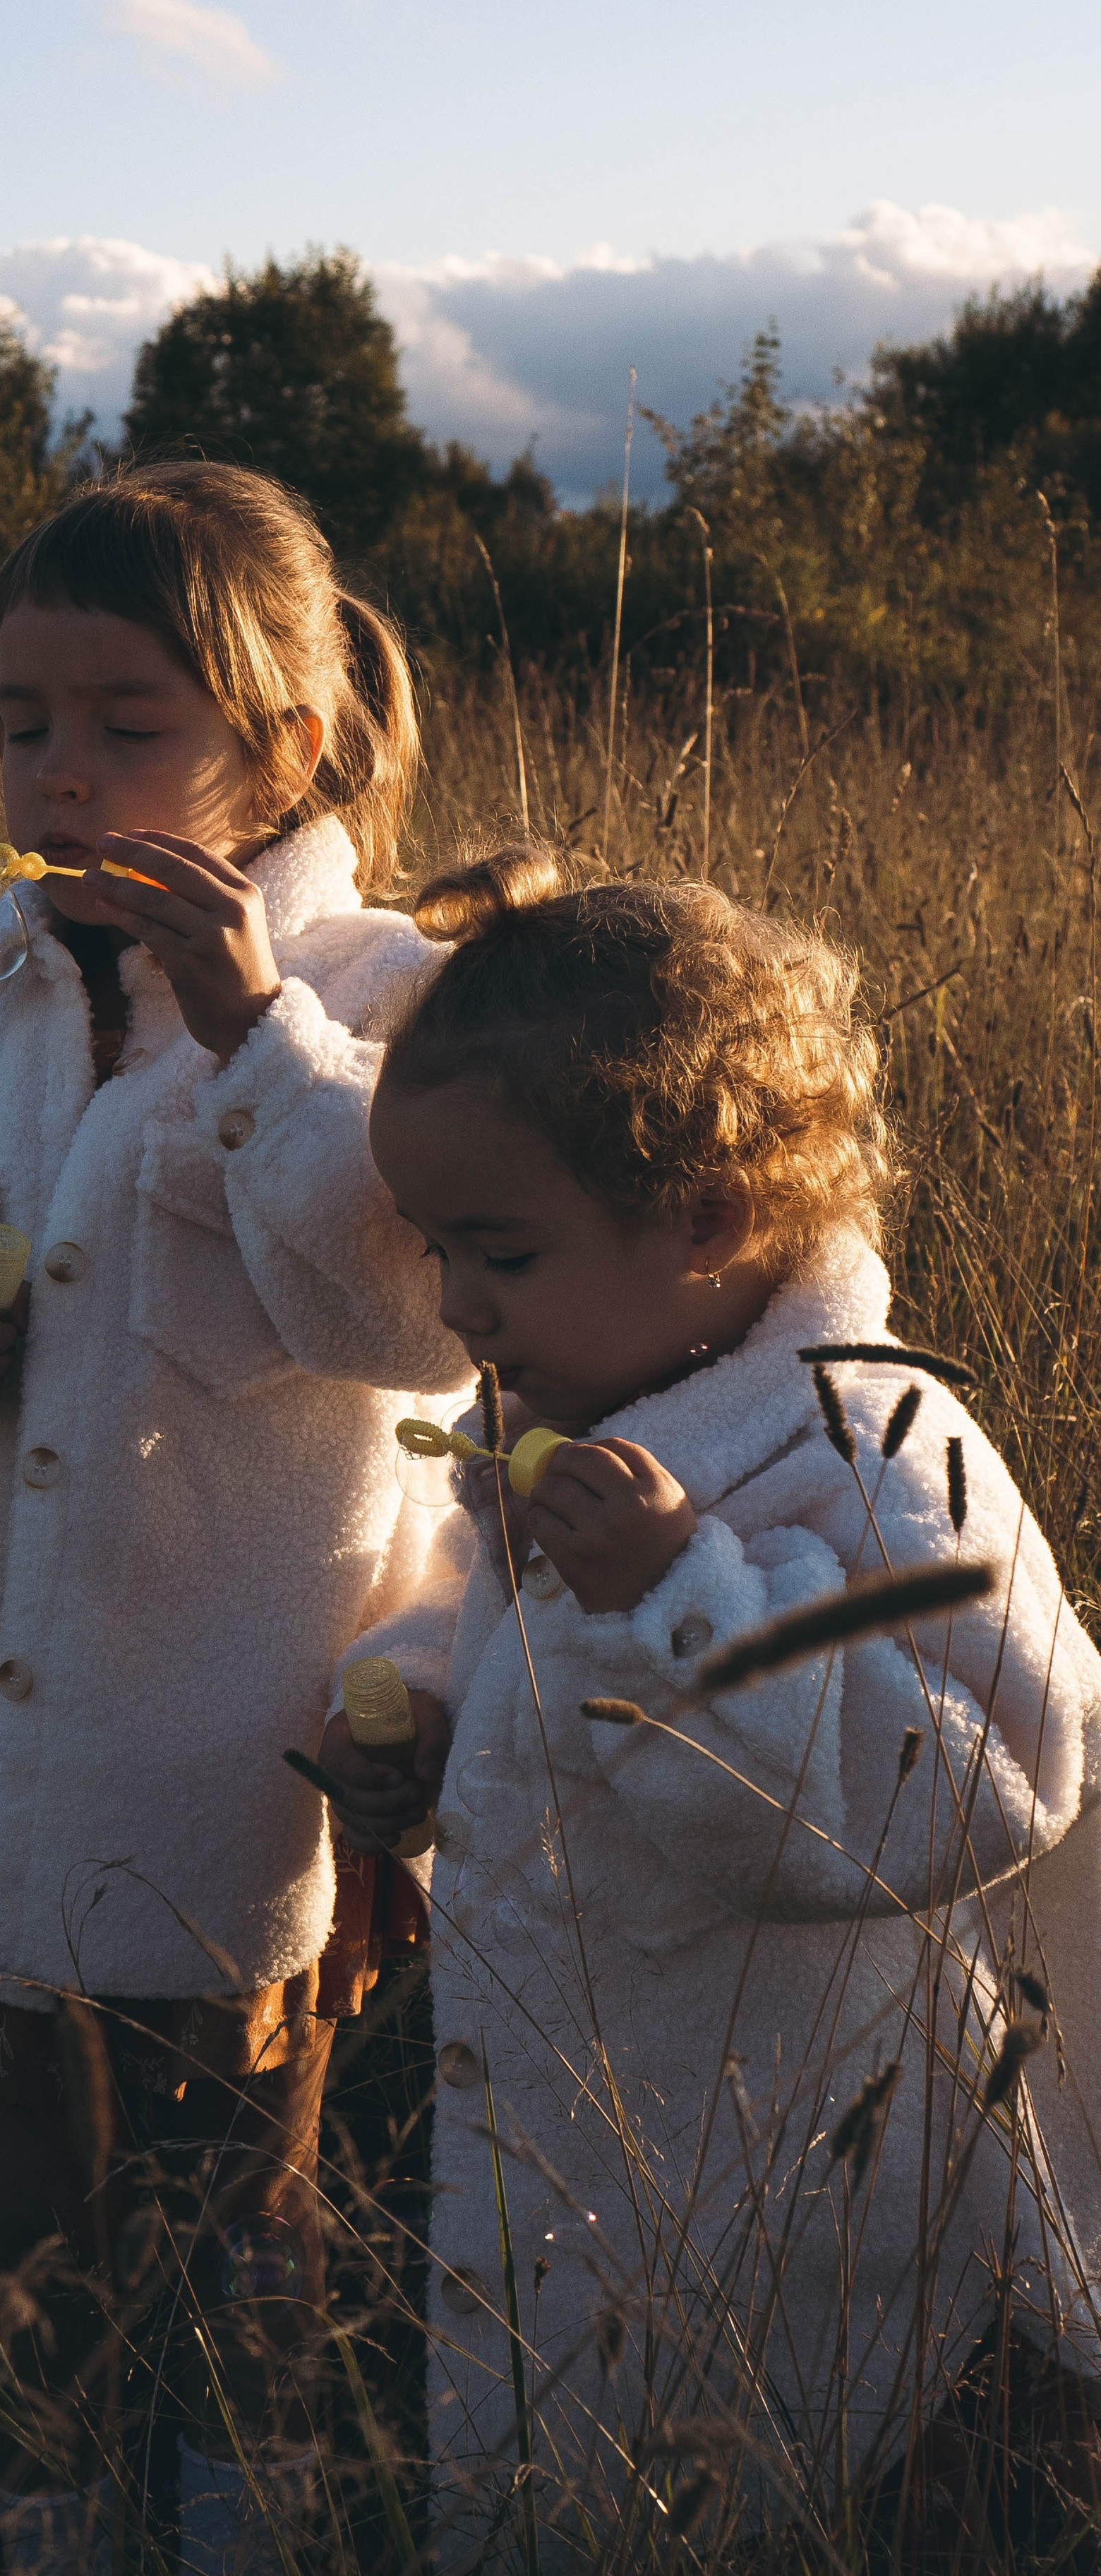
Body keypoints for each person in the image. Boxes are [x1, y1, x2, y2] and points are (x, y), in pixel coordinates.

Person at [0, 463, 468, 2575]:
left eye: (128, 723)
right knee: (26, 2168)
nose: (62, 770)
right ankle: (49, 2510)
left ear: (285, 745)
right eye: (22, 719)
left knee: (248, 2192)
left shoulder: (393, 1003)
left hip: (240, 1733)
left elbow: (415, 1320)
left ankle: (249, 2514)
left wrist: (256, 1036)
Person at [318, 841, 1101, 2569]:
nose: (455, 1308)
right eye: (433, 1248)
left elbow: (977, 1783)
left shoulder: (880, 1451)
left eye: (498, 1251)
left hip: (796, 2193)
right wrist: (431, 1722)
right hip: (576, 2144)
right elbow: (517, 1652)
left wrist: (679, 1606)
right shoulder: (607, 1399)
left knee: (738, 2498)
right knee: (556, 2473)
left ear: (706, 1219)